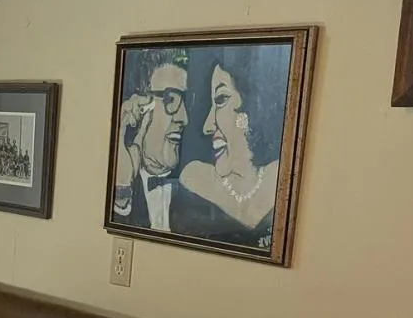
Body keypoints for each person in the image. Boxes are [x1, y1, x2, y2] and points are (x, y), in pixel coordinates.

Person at [176, 44, 291, 248]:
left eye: (220, 100)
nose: (207, 126)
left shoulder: (282, 176)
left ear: (251, 106)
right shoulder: (196, 179)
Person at [110, 47, 200, 232]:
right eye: (171, 100)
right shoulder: (119, 185)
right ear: (142, 106)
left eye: (186, 102)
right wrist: (122, 187)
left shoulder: (196, 191)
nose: (184, 118)